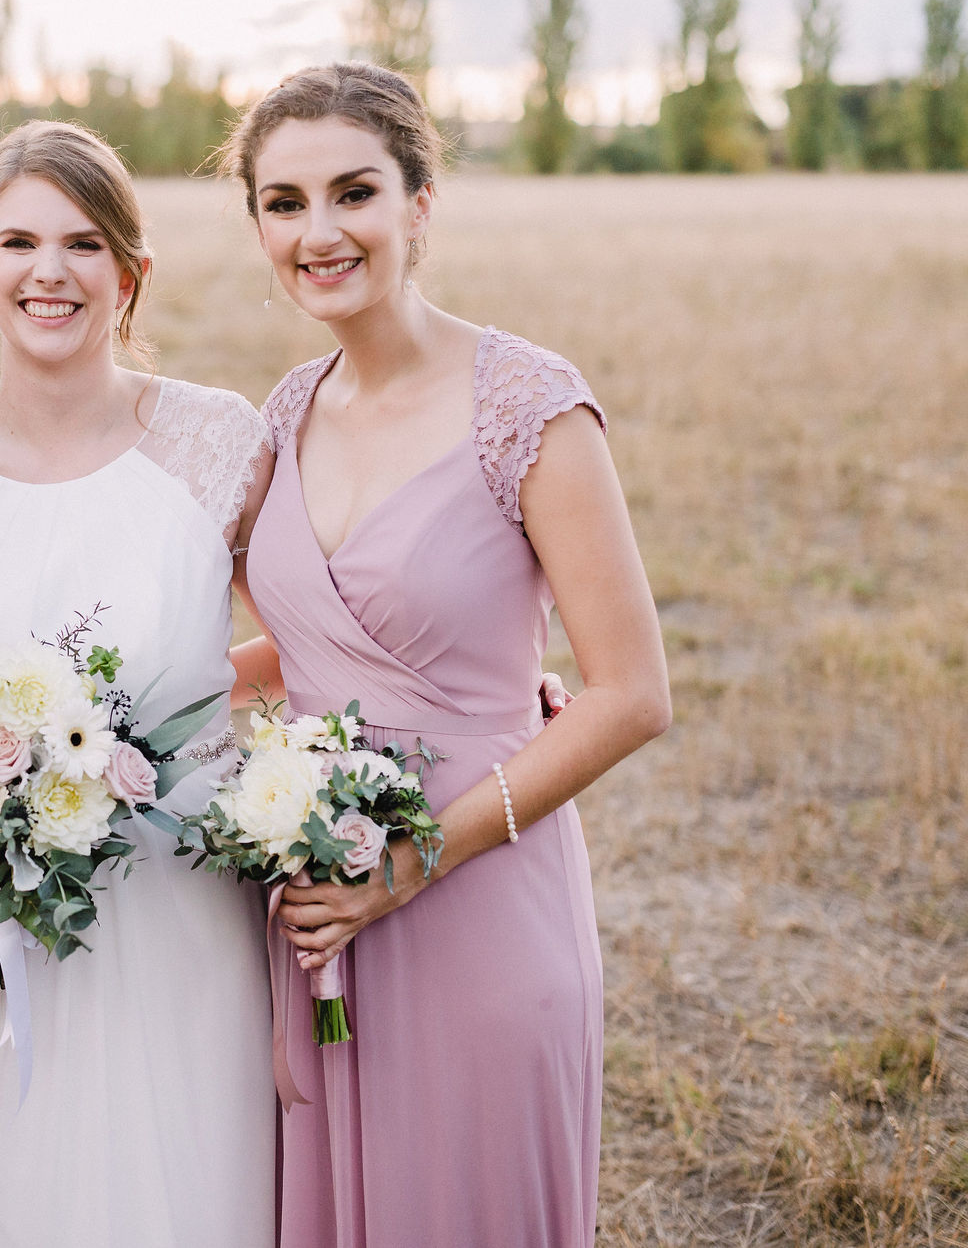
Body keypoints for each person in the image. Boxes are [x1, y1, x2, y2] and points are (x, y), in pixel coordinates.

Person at [224, 63, 672, 1247]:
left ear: (419, 203)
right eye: (282, 202)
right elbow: (318, 642)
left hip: (476, 888)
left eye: (352, 192)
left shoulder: (526, 406)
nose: (317, 233)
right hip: (317, 896)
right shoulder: (282, 412)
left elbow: (630, 696)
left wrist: (413, 862)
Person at [0, 121, 276, 1248]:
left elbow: (312, 633)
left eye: (84, 244)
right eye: (19, 242)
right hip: (2, 911)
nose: (50, 272)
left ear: (129, 274)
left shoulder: (217, 444)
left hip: (188, 889)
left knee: (197, 1177)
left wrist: (487, 684)